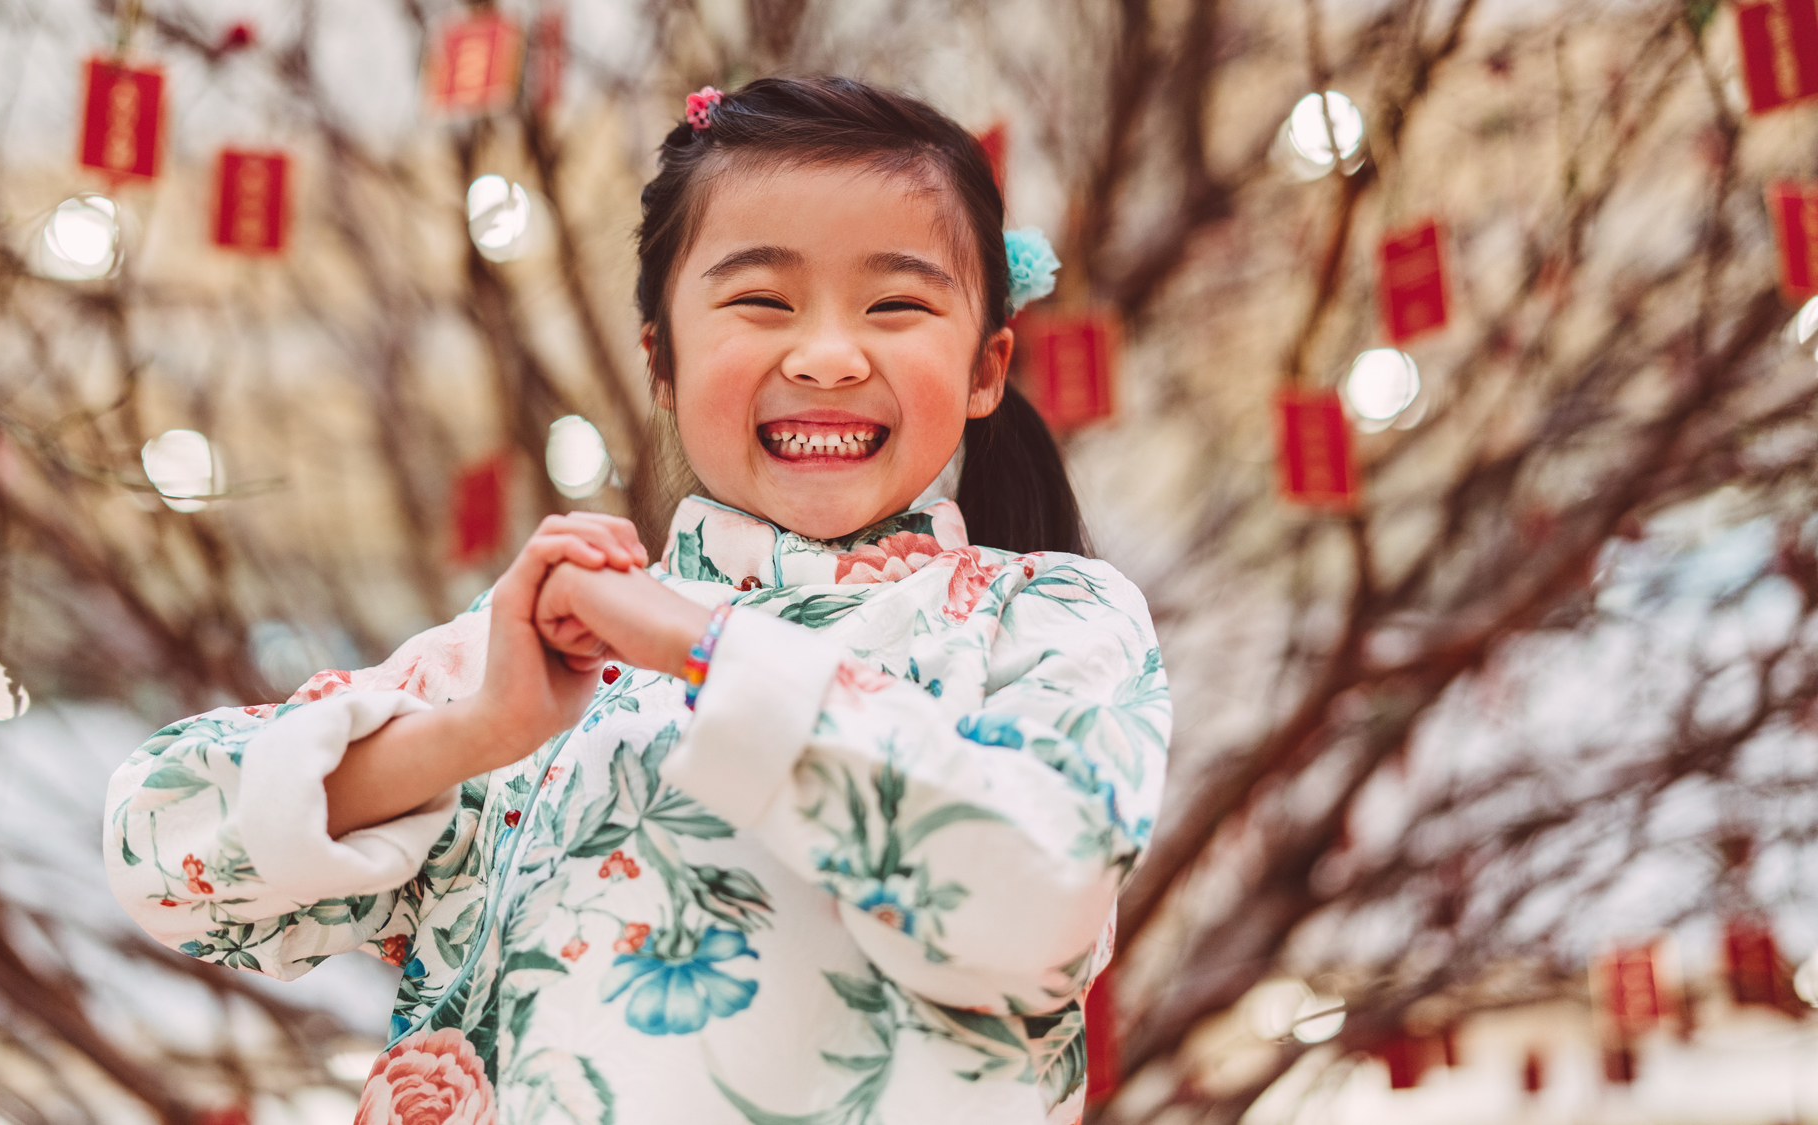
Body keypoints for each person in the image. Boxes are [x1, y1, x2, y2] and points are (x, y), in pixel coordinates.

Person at [105, 76, 1170, 1125]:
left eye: (894, 305)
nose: (829, 355)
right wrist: (478, 730)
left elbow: (1039, 896)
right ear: (660, 360)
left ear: (986, 370)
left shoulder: (1046, 616)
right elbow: (166, 851)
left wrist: (703, 647)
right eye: (761, 300)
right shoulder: (546, 652)